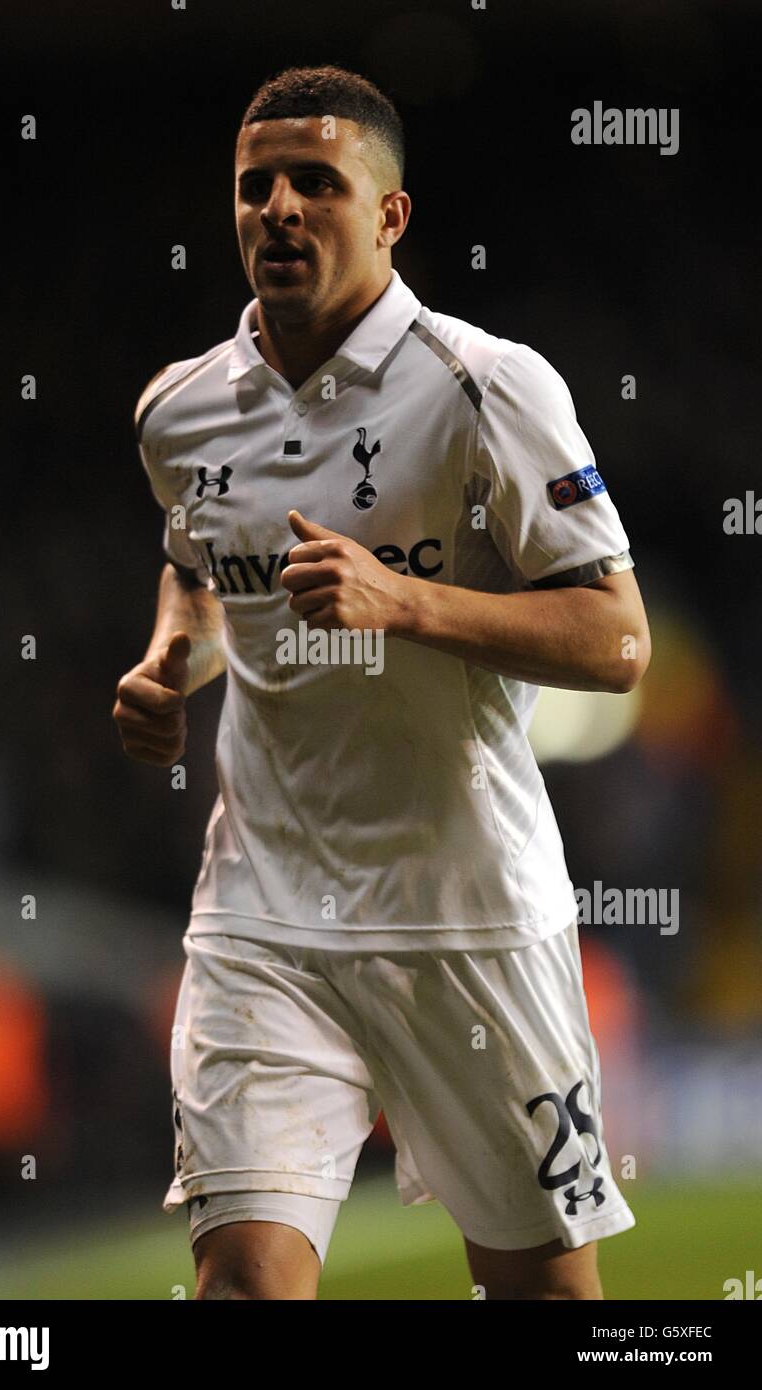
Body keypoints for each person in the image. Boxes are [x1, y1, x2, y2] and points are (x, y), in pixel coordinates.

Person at [113, 64, 650, 1301]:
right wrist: (168, 663)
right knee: (242, 1284)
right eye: (256, 188)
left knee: (547, 1297)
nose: (280, 210)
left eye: (316, 183)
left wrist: (402, 599)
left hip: (466, 914)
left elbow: (619, 641)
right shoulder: (179, 414)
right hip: (266, 914)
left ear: (391, 216)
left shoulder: (489, 387)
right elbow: (197, 562)